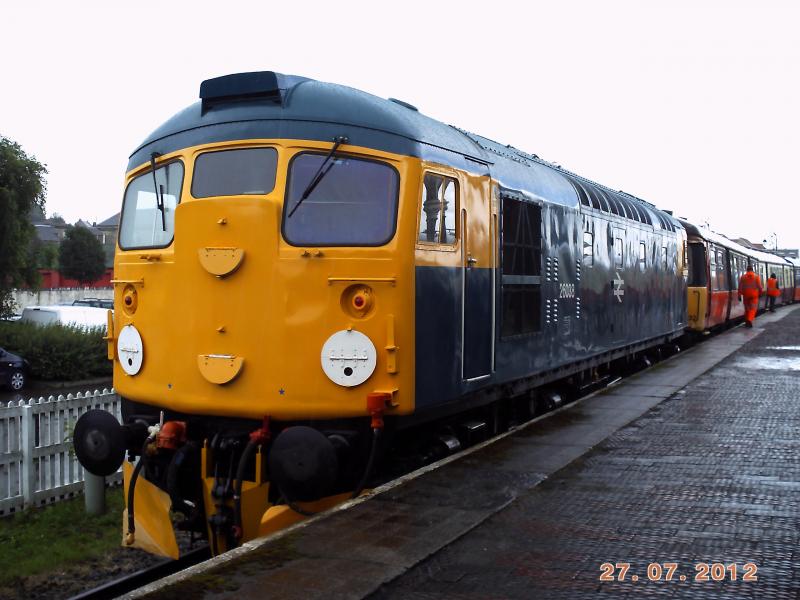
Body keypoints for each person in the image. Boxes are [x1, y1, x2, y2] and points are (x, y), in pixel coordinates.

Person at [738, 263, 763, 328]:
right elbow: (760, 287)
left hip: (746, 295)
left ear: (747, 270)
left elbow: (740, 287)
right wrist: (760, 294)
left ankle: (747, 322)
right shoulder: (756, 277)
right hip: (754, 296)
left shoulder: (743, 277)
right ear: (752, 270)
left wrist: (739, 295)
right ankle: (749, 320)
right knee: (753, 309)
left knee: (747, 309)